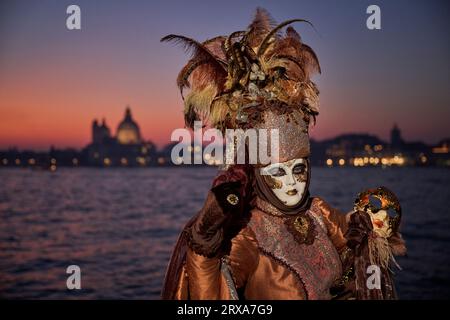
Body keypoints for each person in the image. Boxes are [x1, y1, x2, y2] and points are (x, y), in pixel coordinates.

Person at [160, 8, 406, 300]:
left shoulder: (318, 213)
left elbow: (362, 239)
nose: (292, 183)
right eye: (277, 172)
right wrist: (206, 241)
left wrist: (371, 224)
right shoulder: (247, 237)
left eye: (298, 170)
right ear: (259, 175)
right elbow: (209, 293)